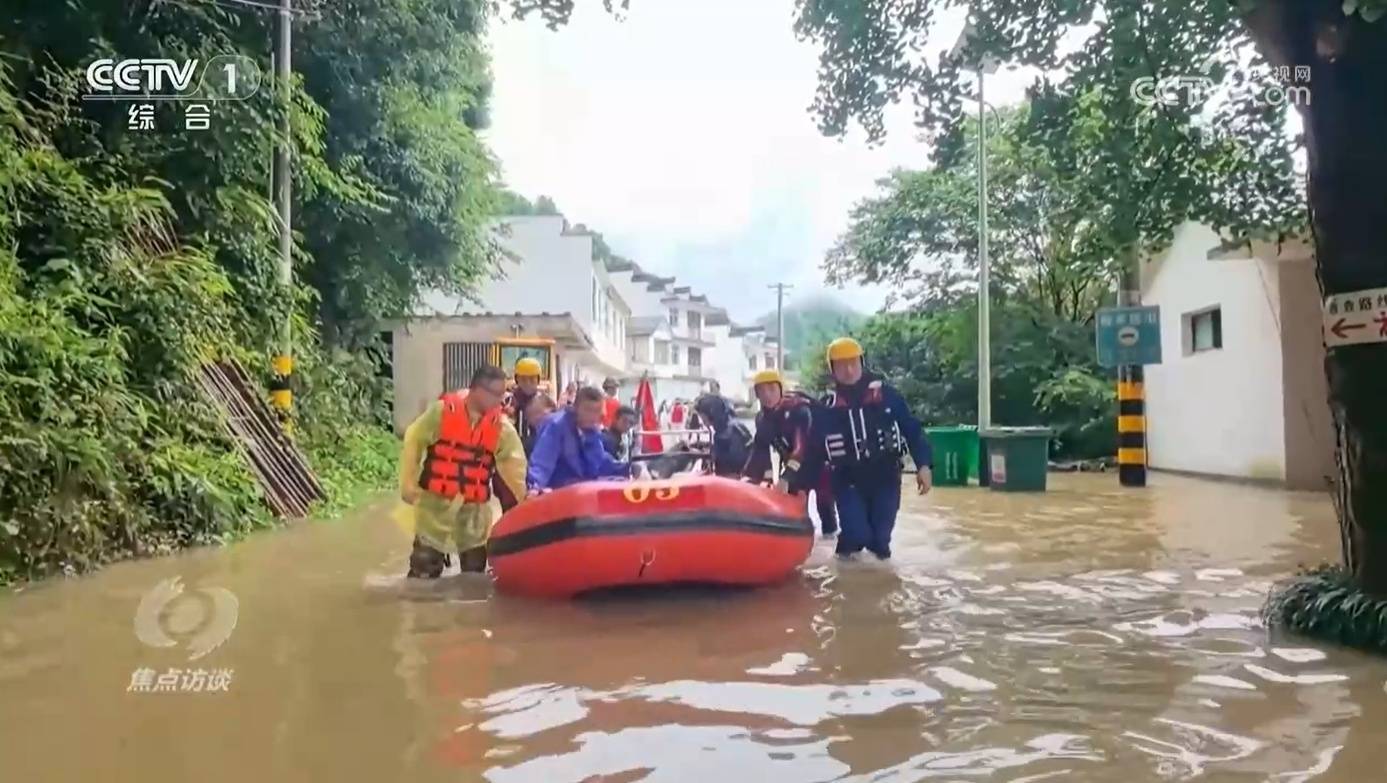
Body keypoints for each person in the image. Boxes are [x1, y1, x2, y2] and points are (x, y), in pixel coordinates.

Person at [396, 365, 526, 577]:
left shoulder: (501, 427)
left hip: (474, 511)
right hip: (434, 505)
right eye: (495, 394)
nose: (499, 401)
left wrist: (523, 499)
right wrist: (408, 482)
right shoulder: (441, 412)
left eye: (502, 394)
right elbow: (414, 440)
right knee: (424, 565)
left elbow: (514, 464)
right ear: (476, 390)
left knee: (475, 570)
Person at [819, 337, 932, 560]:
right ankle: (843, 571)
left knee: (880, 541)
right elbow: (813, 449)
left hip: (886, 477)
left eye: (853, 363)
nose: (849, 370)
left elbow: (912, 430)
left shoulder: (887, 396)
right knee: (857, 533)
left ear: (862, 362)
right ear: (833, 370)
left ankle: (881, 585)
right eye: (842, 365)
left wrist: (924, 465)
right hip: (847, 480)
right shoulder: (826, 407)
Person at [741, 369, 839, 537]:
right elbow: (759, 451)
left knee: (826, 511)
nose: (767, 395)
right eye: (761, 391)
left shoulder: (799, 410)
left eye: (771, 389)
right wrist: (746, 479)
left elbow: (800, 448)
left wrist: (786, 478)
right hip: (794, 468)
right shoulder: (762, 419)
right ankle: (803, 544)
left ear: (781, 389)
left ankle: (830, 541)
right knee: (796, 513)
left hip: (818, 465)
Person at [527, 385, 634, 494]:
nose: (592, 416)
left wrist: (628, 468)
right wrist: (534, 487)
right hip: (557, 494)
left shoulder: (592, 431)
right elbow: (542, 462)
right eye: (588, 410)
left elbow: (600, 462)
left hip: (582, 494)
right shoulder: (556, 426)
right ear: (575, 408)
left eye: (597, 411)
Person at [692, 393, 753, 477]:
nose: (702, 420)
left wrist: (712, 455)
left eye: (703, 417)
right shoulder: (722, 427)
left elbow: (735, 461)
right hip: (726, 478)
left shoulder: (732, 430)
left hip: (734, 480)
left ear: (712, 413)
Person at [505, 356, 544, 456]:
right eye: (523, 379)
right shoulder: (508, 401)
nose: (527, 383)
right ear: (517, 380)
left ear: (538, 380)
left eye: (532, 379)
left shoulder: (545, 402)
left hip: (537, 453)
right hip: (512, 454)